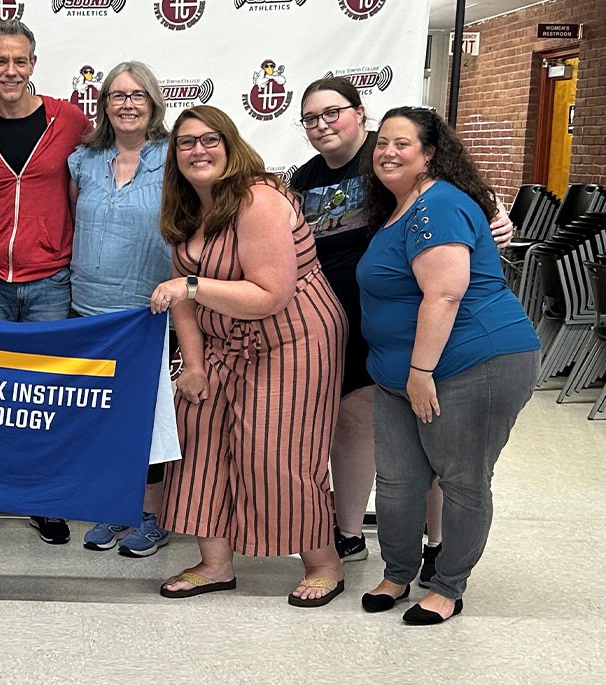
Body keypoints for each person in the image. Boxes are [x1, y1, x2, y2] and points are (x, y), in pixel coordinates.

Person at [289, 78, 515, 584]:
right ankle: (348, 531)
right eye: (310, 118)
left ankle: (438, 544)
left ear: (360, 112)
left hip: (422, 326)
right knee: (356, 426)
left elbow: (460, 198)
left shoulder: (390, 153)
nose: (322, 124)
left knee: (431, 436)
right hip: (342, 321)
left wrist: (495, 214)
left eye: (333, 112)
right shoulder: (302, 180)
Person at [150, 105, 348, 607]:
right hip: (222, 344)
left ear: (231, 144)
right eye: (187, 143)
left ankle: (325, 563)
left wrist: (189, 284)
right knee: (198, 439)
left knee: (278, 451)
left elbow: (270, 295)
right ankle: (216, 564)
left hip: (294, 339)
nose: (198, 150)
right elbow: (186, 307)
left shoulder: (258, 199)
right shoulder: (185, 209)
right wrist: (192, 367)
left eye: (210, 140)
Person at [356, 106, 539, 624]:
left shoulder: (439, 205)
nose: (388, 152)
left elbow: (443, 294)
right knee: (396, 481)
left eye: (402, 144)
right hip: (401, 373)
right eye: (382, 143)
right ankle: (397, 573)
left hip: (469, 362)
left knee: (461, 479)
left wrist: (419, 374)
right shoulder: (400, 205)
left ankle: (447, 586)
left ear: (430, 152)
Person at [0, 18, 89, 546]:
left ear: (33, 64)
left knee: (45, 395)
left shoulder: (69, 119)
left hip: (53, 279)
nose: (10, 70)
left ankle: (42, 499)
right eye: (0, 61)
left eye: (20, 61)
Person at [68, 62, 174, 558]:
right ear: (103, 104)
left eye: (137, 95)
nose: (127, 103)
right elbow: (75, 217)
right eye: (116, 95)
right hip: (86, 307)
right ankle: (114, 508)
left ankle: (151, 515)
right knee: (102, 416)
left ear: (153, 102)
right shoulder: (83, 159)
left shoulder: (174, 156)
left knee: (148, 419)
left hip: (147, 310)